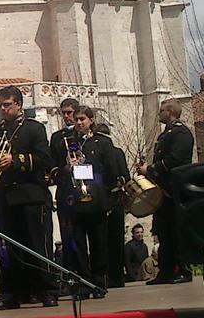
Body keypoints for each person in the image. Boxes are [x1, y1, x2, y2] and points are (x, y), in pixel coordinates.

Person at [0, 86, 57, 310]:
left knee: (37, 244)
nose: (3, 109)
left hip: (29, 195)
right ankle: (12, 293)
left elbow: (45, 159)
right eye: (0, 105)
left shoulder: (34, 129)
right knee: (9, 248)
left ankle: (46, 290)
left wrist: (15, 160)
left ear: (18, 104)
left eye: (7, 104)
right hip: (5, 197)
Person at [64, 106, 121, 299]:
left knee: (98, 243)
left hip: (96, 196)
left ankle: (98, 282)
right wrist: (68, 167)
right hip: (76, 199)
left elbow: (111, 170)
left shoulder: (103, 142)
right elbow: (62, 171)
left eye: (82, 119)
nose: (78, 123)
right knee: (78, 243)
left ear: (90, 120)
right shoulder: (70, 142)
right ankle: (84, 284)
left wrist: (102, 188)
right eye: (76, 119)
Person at [138, 99, 194, 285]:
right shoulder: (167, 134)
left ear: (170, 111)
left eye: (161, 110)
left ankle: (182, 269)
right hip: (163, 192)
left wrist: (151, 169)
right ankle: (166, 271)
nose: (159, 113)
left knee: (176, 231)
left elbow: (175, 159)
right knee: (164, 233)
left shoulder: (181, 133)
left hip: (175, 190)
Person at [94, 122, 130, 288]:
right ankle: (114, 276)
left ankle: (112, 276)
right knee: (111, 240)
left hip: (109, 198)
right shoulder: (115, 152)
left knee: (109, 239)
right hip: (108, 199)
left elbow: (123, 176)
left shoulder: (110, 153)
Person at [48, 98, 80, 281]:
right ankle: (71, 275)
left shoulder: (82, 135)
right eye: (64, 113)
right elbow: (51, 163)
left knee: (82, 235)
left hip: (83, 189)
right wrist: (63, 170)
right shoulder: (57, 137)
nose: (67, 116)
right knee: (67, 233)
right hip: (65, 188)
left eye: (70, 112)